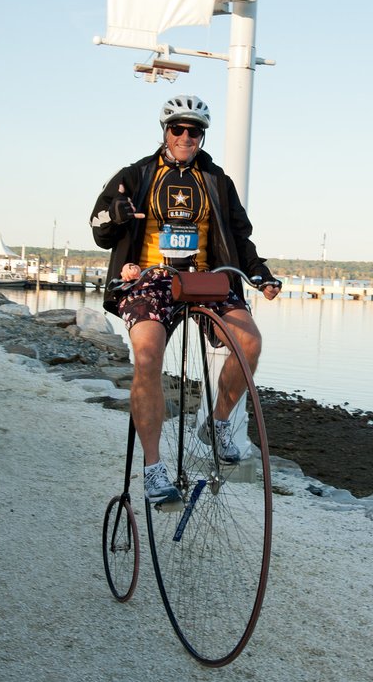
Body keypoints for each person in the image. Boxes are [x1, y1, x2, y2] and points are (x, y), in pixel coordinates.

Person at [90, 94, 281, 510]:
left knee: (249, 342)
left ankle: (217, 423)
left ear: (201, 136)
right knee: (147, 354)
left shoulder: (217, 180)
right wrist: (119, 213)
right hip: (148, 278)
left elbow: (240, 236)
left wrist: (260, 272)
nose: (185, 137)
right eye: (178, 129)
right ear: (165, 131)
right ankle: (154, 470)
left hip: (206, 278)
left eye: (194, 131)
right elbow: (99, 227)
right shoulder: (136, 174)